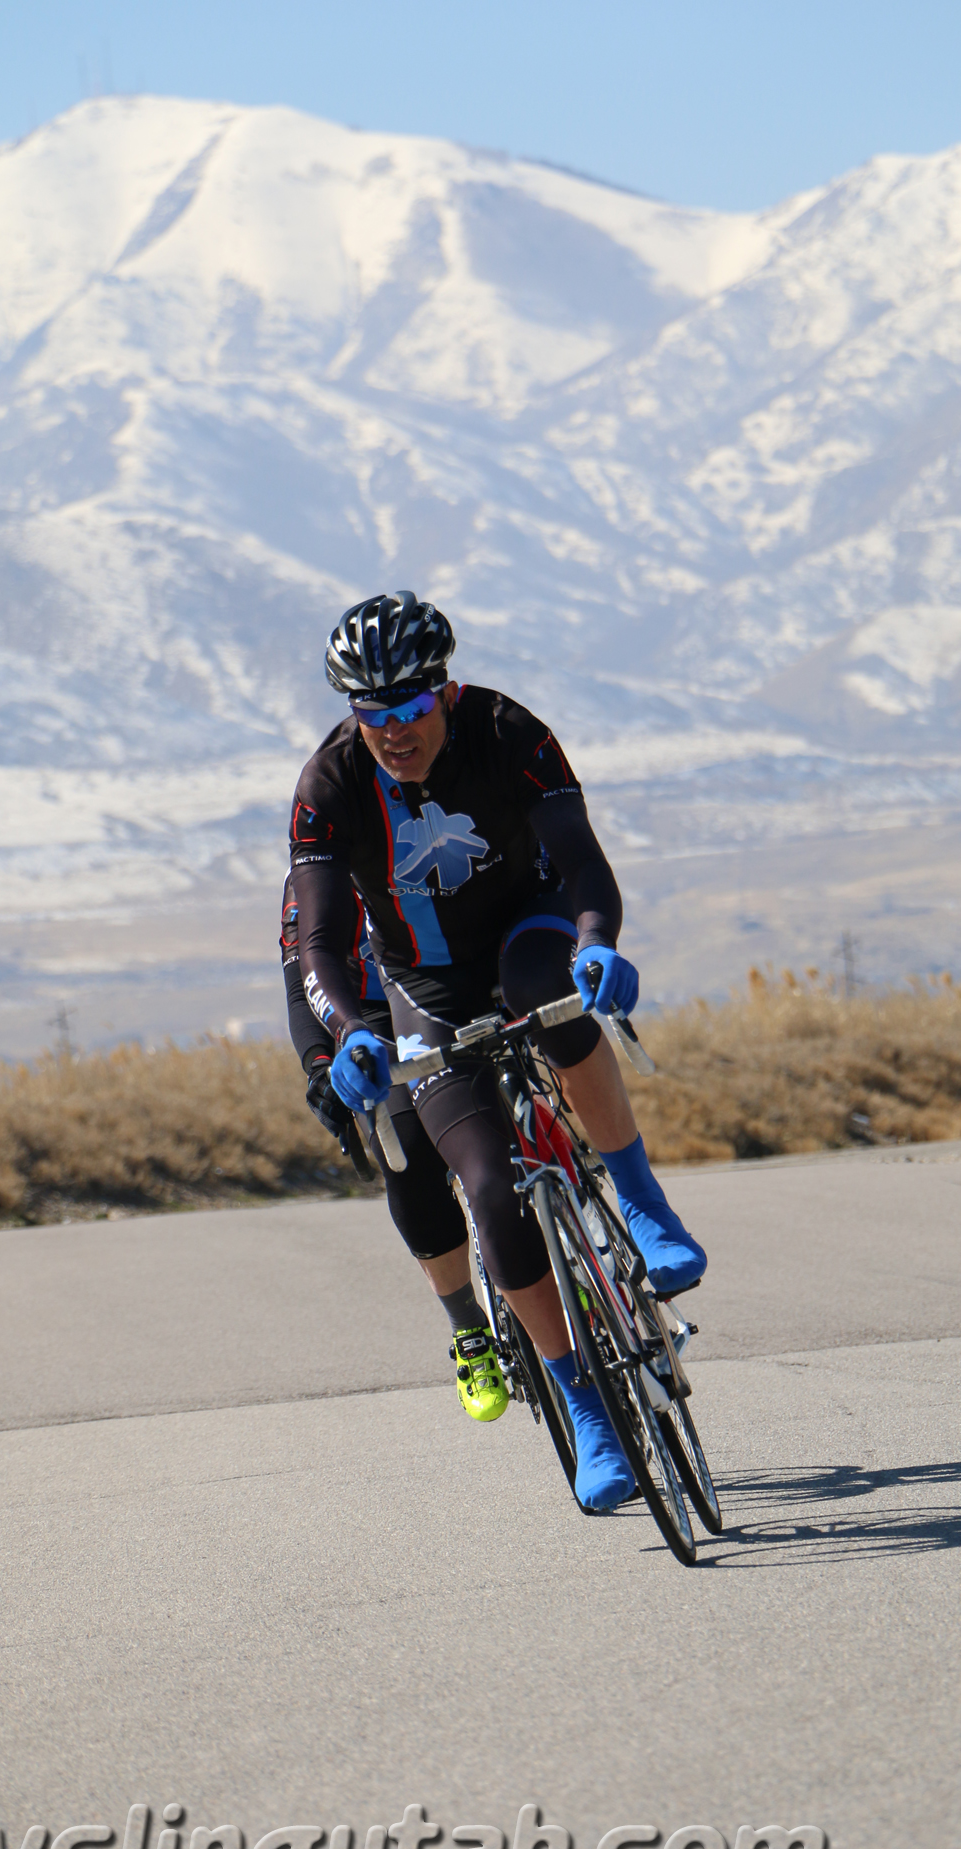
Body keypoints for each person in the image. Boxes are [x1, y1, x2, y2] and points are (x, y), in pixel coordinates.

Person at [289, 592, 706, 1512]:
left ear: (444, 693)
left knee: (543, 995)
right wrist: (350, 1033)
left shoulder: (509, 730)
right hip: (425, 985)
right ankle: (582, 1403)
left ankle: (642, 1206)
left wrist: (595, 938)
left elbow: (583, 858)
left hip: (529, 922)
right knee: (481, 1182)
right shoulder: (329, 786)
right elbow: (314, 944)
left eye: (409, 710)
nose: (393, 732)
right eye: (372, 714)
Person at [280, 870, 511, 1421]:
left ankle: (567, 1251)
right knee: (406, 1155)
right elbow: (300, 984)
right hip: (377, 1021)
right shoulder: (315, 872)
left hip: (464, 987)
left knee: (518, 1117)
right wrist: (319, 1064)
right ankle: (468, 1328)